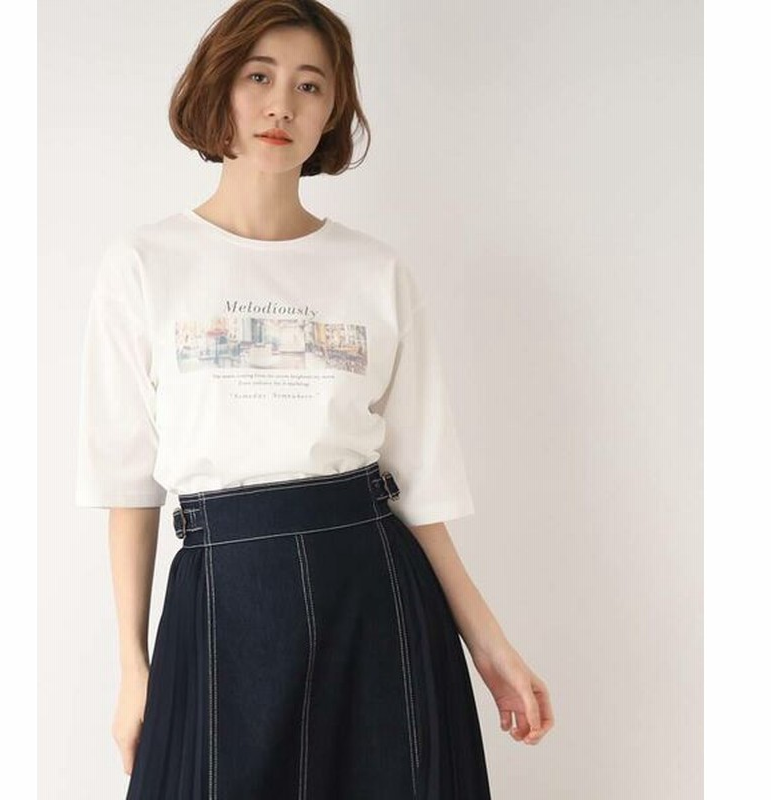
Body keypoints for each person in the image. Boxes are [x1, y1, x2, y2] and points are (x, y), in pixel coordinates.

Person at [74, 1, 554, 797]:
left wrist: (488, 644)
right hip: (223, 595)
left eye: (309, 85)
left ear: (333, 110)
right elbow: (128, 484)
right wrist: (133, 669)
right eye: (258, 77)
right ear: (218, 87)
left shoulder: (376, 273)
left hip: (372, 594)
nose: (281, 106)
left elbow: (418, 482)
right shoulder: (145, 264)